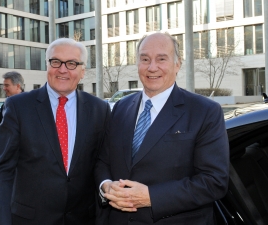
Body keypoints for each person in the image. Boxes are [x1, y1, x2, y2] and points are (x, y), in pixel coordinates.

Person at [95, 32, 229, 225]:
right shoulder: (120, 108)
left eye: (161, 59)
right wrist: (105, 186)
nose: (152, 67)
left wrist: (151, 196)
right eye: (145, 59)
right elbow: (103, 161)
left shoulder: (205, 111)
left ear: (177, 64)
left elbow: (214, 181)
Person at [0, 38, 110, 225]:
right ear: (47, 66)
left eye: (72, 63)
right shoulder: (19, 107)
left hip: (83, 219)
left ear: (83, 71)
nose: (62, 69)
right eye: (56, 61)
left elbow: (102, 161)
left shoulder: (99, 109)